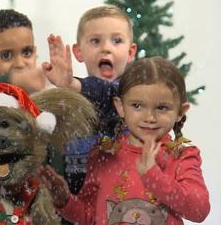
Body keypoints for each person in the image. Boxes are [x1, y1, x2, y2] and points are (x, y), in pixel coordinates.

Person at [39, 56, 210, 224]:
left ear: (180, 112)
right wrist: (63, 200)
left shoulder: (181, 156)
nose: (149, 117)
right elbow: (90, 216)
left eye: (161, 107)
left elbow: (199, 210)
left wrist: (153, 176)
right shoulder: (103, 155)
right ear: (120, 107)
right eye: (137, 105)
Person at [44, 5, 138, 196]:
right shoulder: (68, 102)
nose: (106, 48)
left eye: (117, 41)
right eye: (95, 41)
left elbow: (107, 94)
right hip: (77, 209)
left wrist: (72, 84)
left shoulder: (134, 98)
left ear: (130, 51)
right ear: (78, 52)